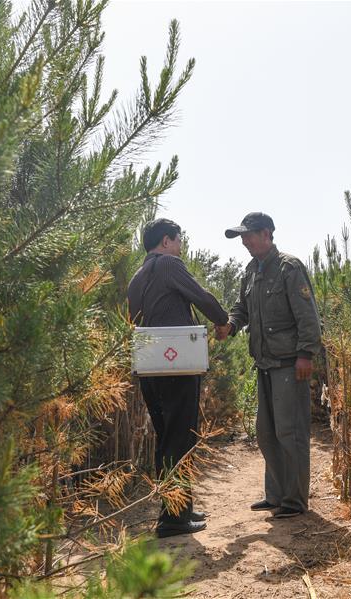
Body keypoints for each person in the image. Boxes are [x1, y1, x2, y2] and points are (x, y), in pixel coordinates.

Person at [127, 217, 229, 538]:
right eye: (179, 240)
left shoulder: (136, 277)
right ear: (167, 241)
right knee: (180, 438)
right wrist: (222, 320)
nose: (181, 247)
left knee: (167, 437)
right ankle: (173, 518)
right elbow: (201, 296)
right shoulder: (168, 264)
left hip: (149, 367)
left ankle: (178, 507)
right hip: (176, 366)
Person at [215, 212, 322, 518]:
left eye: (248, 235)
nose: (244, 242)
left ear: (266, 234)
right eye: (242, 237)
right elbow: (242, 309)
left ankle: (295, 501)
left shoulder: (289, 268)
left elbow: (308, 316)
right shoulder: (251, 271)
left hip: (289, 363)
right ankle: (276, 495)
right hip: (264, 363)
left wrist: (305, 354)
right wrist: (230, 325)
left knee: (290, 433)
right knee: (266, 433)